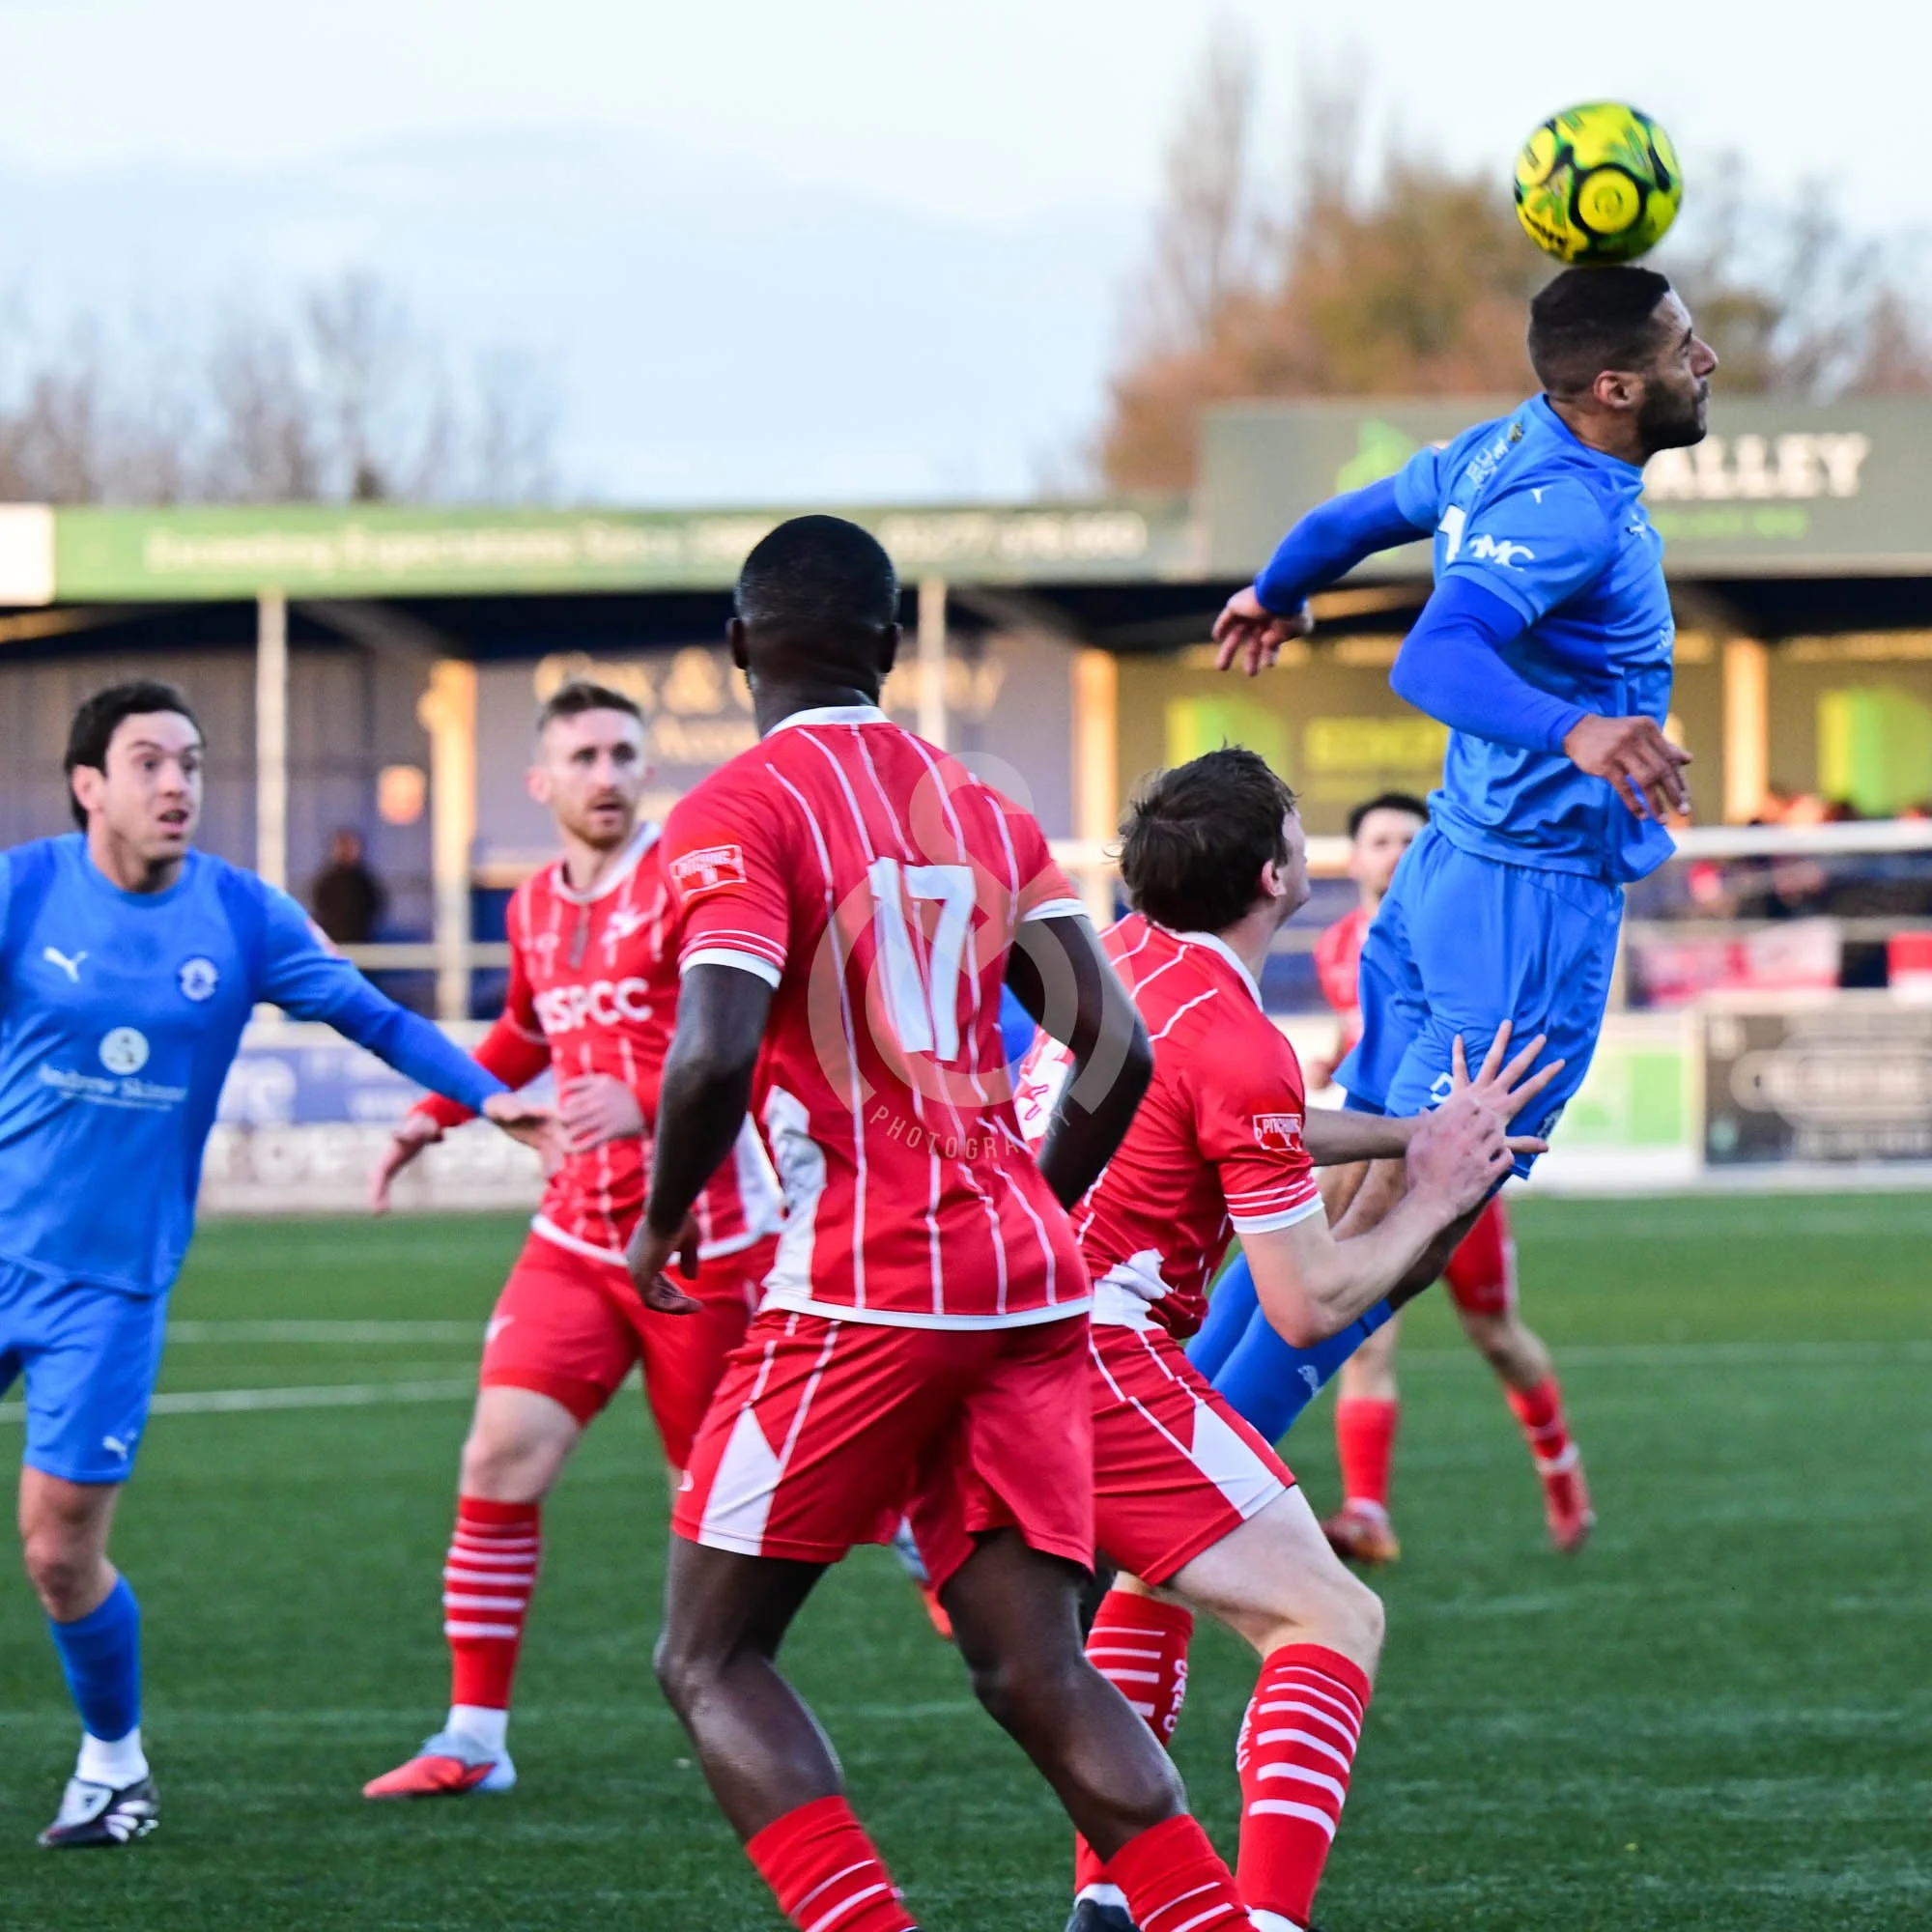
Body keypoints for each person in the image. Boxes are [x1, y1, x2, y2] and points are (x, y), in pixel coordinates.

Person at [623, 515, 1261, 1932]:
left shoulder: (737, 811)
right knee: (1037, 1667)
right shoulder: (980, 806)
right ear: (893, 650)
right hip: (1031, 1281)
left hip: (860, 1282)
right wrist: (1032, 1202)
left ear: (738, 650)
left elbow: (716, 1048)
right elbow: (1117, 1050)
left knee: (710, 1657)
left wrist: (662, 1221)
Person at [0, 680, 553, 1850]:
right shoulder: (25, 887)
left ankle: (113, 1766)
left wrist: (490, 1096)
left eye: (191, 764)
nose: (176, 786)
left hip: (111, 1287)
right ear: (87, 784)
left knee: (58, 1548)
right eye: (149, 762)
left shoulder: (239, 915)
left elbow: (372, 1017)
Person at [1013, 750, 1555, 1932]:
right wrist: (1435, 1190)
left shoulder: (1120, 958)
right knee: (1333, 1616)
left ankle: (1105, 1894)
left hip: (1012, 1347)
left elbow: (1235, 1114)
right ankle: (1262, 1919)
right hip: (1095, 1358)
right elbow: (1308, 1301)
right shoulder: (1234, 1030)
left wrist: (1400, 1132)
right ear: (1276, 871)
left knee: (1154, 1584)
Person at [1210, 265, 1714, 1407]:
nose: (1706, 361)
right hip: (1522, 915)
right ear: (1614, 386)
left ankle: (1148, 1458)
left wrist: (1276, 588)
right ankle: (1165, 1525)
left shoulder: (1500, 446)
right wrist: (1576, 728)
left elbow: (1345, 519)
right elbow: (1430, 658)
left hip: (1445, 877)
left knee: (1335, 1204)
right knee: (1400, 1212)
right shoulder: (1571, 508)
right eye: (1684, 345)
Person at [360, 680, 784, 1801]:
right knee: (498, 1453)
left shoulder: (693, 877)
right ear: (541, 781)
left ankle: (908, 1541)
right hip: (575, 1238)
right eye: (583, 756)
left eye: (622, 752)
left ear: (646, 767)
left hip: (709, 1245)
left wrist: (649, 1101)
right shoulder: (532, 905)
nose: (606, 773)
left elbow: (754, 1041)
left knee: (721, 1508)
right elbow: (521, 1028)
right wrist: (432, 1114)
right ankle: (472, 1735)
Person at [1199, 792, 1593, 1563]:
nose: (1396, 852)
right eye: (1380, 839)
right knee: (1358, 1314)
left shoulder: (1457, 932)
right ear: (1355, 857)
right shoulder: (1339, 942)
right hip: (1383, 1140)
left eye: (1410, 839)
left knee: (1495, 1336)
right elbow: (1376, 1035)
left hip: (1444, 1149)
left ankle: (1563, 1475)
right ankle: (1365, 1510)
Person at [309, 827, 387, 946]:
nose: (346, 851)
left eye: (351, 846)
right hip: (334, 942)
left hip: (362, 943)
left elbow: (375, 908)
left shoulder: (365, 883)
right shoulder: (326, 882)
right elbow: (321, 910)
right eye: (342, 846)